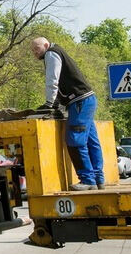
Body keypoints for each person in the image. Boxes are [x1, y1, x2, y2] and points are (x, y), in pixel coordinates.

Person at [30, 37, 104, 191]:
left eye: (36, 49)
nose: (35, 53)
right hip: (87, 99)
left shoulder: (51, 53)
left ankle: (87, 180)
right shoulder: (58, 51)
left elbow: (53, 79)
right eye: (33, 51)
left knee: (75, 140)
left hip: (79, 102)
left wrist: (49, 103)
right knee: (91, 141)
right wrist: (57, 102)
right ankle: (98, 179)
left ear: (45, 45)